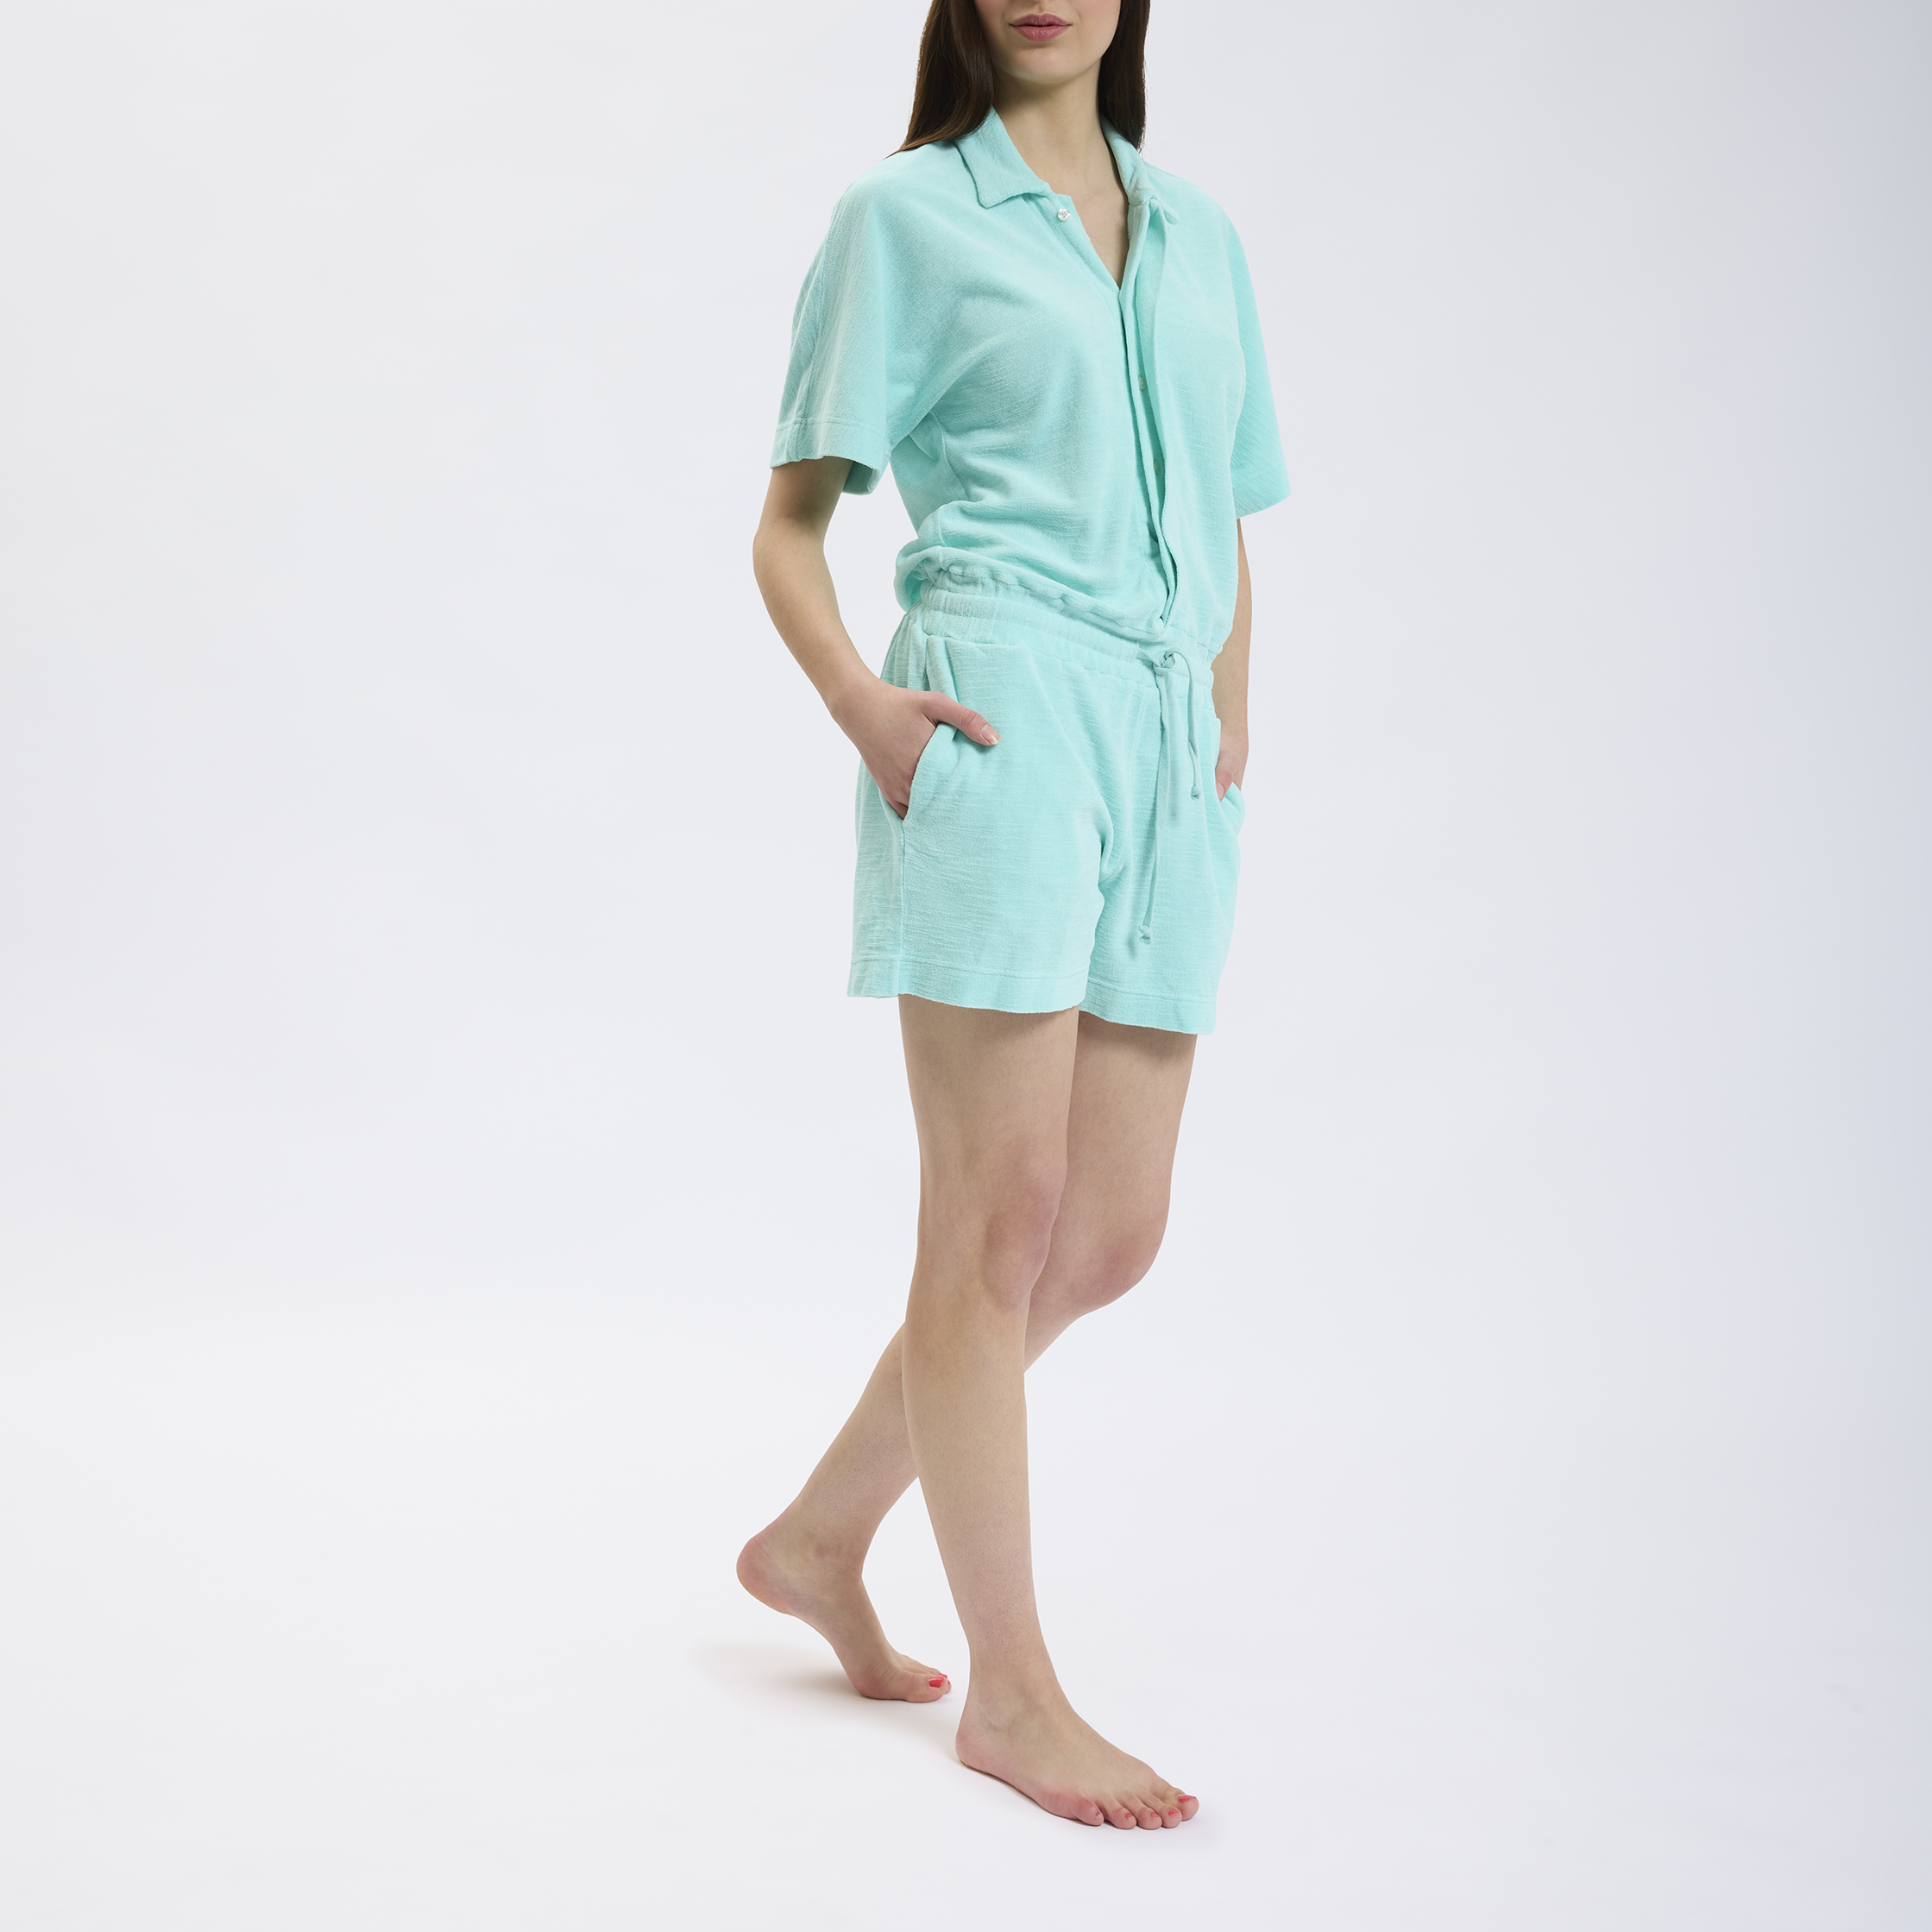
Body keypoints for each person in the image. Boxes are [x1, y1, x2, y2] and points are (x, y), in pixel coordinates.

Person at [741, 0, 1288, 1830]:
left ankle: (820, 1537)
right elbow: (788, 526)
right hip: (998, 714)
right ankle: (1016, 1696)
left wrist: (1228, 714)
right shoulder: (904, 215)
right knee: (998, 1218)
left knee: (1109, 1235)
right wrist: (865, 709)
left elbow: (1225, 507)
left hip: (1167, 752)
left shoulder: (1198, 234)